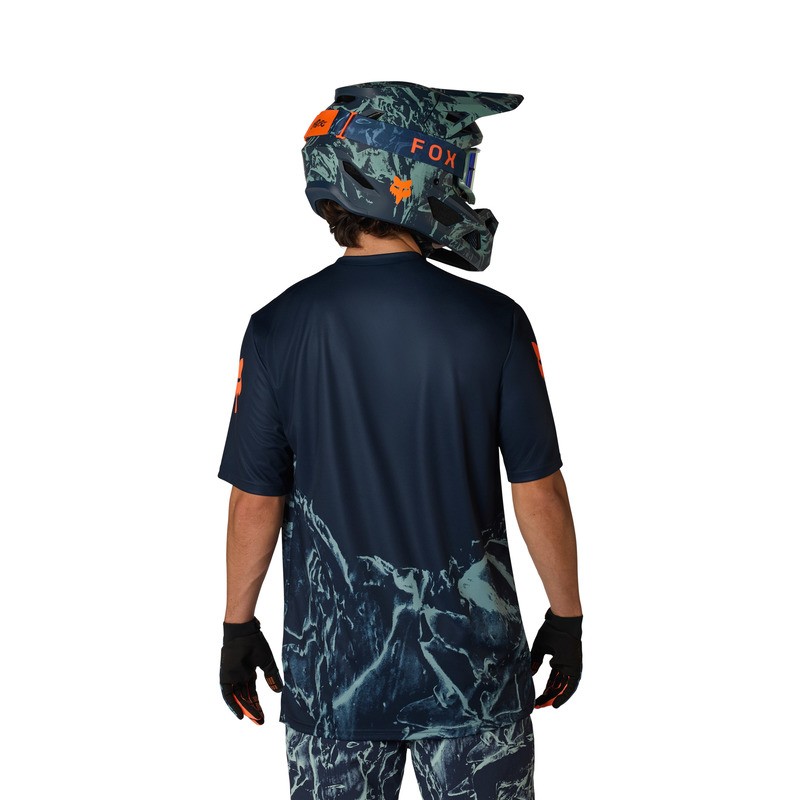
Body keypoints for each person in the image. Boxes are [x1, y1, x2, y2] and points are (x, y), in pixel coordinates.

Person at [218, 81, 583, 800]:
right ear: (412, 174)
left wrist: (237, 625)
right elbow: (537, 488)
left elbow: (256, 498)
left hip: (334, 680)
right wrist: (566, 615)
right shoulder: (496, 321)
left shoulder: (276, 327)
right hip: (474, 676)